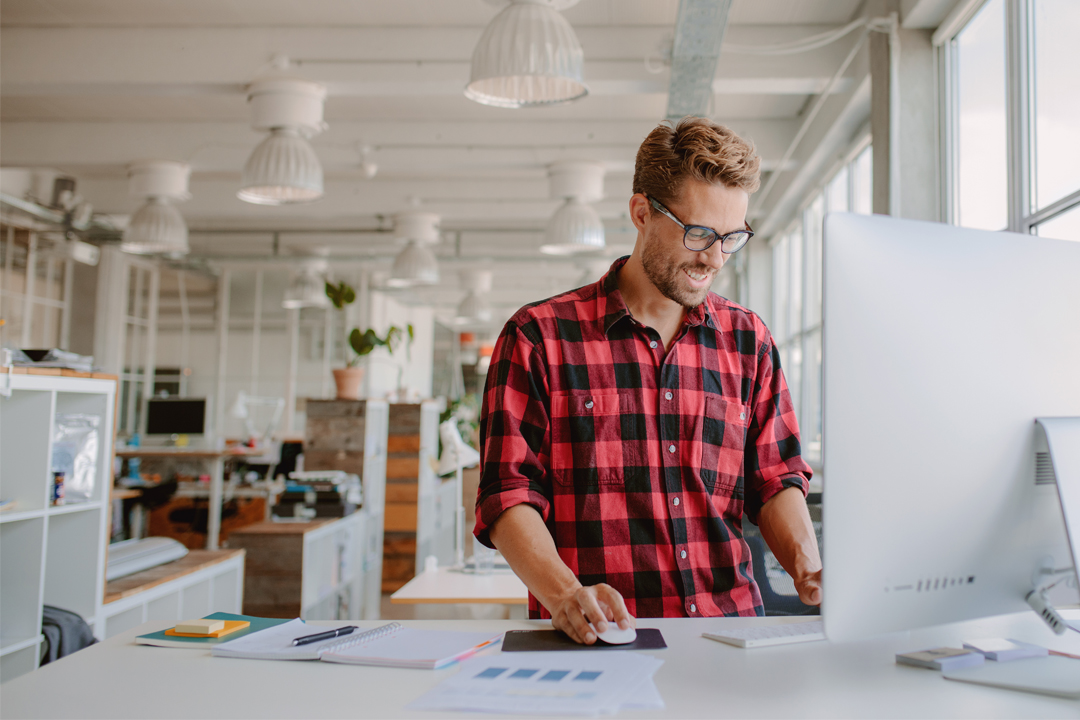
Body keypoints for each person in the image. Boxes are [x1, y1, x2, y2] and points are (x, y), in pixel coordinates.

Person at [474, 117, 822, 644]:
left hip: (729, 637)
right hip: (598, 641)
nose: (715, 257)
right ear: (641, 213)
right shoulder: (538, 337)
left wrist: (810, 570)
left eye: (732, 237)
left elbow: (775, 478)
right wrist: (567, 594)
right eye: (699, 232)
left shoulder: (749, 340)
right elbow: (508, 494)